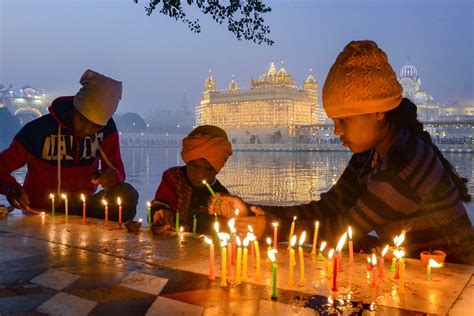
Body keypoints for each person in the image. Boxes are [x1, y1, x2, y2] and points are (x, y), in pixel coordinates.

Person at [209, 40, 474, 265]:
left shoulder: (404, 165)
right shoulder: (370, 156)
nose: (337, 131)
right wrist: (251, 211)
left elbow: (342, 229)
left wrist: (268, 227)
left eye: (344, 121)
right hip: (414, 273)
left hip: (456, 282)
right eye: (334, 121)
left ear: (379, 112)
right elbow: (327, 208)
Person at [0, 69, 138, 221]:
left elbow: (117, 170)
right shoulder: (37, 131)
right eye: (83, 120)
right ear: (75, 108)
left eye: (96, 127)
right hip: (42, 208)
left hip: (82, 207)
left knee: (127, 194)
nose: (87, 130)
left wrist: (113, 177)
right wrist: (10, 188)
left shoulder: (107, 131)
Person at [150, 125, 233, 235]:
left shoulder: (222, 196)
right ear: (187, 161)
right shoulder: (173, 178)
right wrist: (161, 213)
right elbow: (158, 208)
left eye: (209, 169)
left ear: (218, 168)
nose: (200, 175)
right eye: (194, 166)